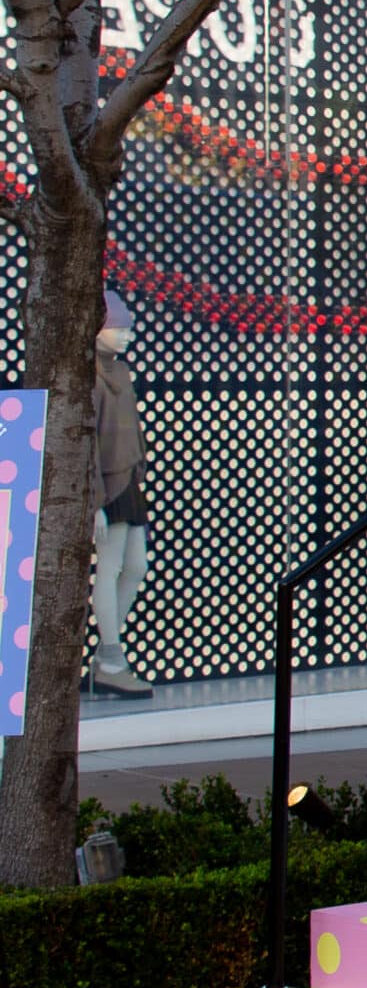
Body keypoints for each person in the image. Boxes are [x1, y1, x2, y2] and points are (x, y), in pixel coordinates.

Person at [90, 290, 152, 696]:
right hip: (107, 485)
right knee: (111, 568)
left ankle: (106, 655)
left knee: (136, 567)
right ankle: (111, 659)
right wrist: (93, 501)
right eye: (118, 327)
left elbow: (130, 429)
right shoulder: (88, 376)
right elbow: (87, 441)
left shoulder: (121, 372)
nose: (126, 335)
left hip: (128, 479)